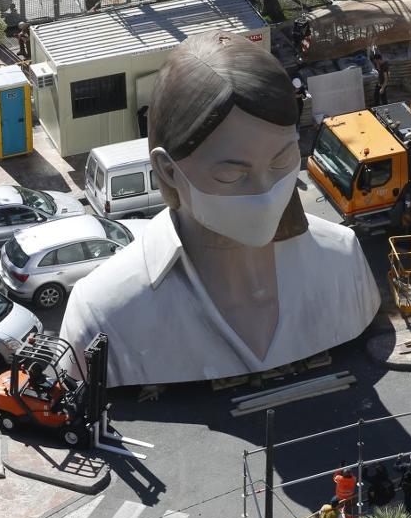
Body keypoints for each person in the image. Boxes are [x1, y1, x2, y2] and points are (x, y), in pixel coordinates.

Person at [60, 31, 379, 388]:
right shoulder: (101, 314)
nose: (265, 192)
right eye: (232, 174)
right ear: (168, 170)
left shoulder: (343, 258)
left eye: (283, 159)